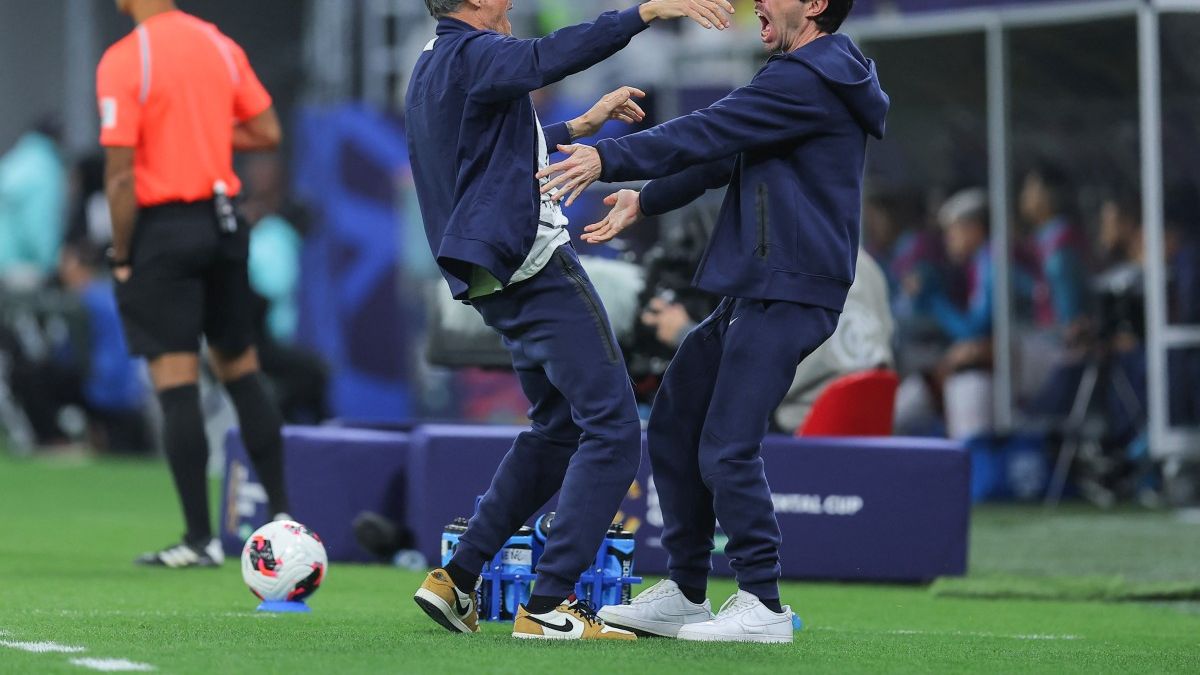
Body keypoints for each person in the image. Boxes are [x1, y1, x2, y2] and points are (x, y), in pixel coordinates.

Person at [540, 0, 887, 643]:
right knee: (675, 423)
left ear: (813, 6)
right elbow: (724, 154)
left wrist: (606, 158)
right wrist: (648, 198)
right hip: (757, 285)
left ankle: (762, 603)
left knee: (727, 446)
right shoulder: (801, 75)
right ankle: (687, 592)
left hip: (791, 289)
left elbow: (707, 129)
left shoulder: (808, 76)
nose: (760, 3)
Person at [405, 0, 736, 641]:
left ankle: (457, 576)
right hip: (537, 269)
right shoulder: (475, 53)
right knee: (612, 431)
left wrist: (583, 122)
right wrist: (644, 12)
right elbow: (546, 57)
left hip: (496, 277)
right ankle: (549, 603)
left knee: (557, 431)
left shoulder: (435, 62)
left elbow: (490, 148)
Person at [97, 0, 291, 567]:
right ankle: (283, 518)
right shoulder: (217, 43)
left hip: (163, 230)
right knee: (240, 366)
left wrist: (123, 252)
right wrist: (203, 134)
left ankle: (199, 540)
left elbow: (119, 174)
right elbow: (267, 129)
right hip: (224, 221)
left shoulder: (127, 57)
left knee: (175, 377)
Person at [775, 248, 894, 433]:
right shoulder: (870, 266)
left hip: (806, 421)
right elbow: (889, 340)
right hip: (873, 419)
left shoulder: (781, 259)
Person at [0, 116, 67, 288]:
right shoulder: (44, 168)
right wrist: (50, 263)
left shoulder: (14, 161)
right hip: (22, 266)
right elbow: (40, 221)